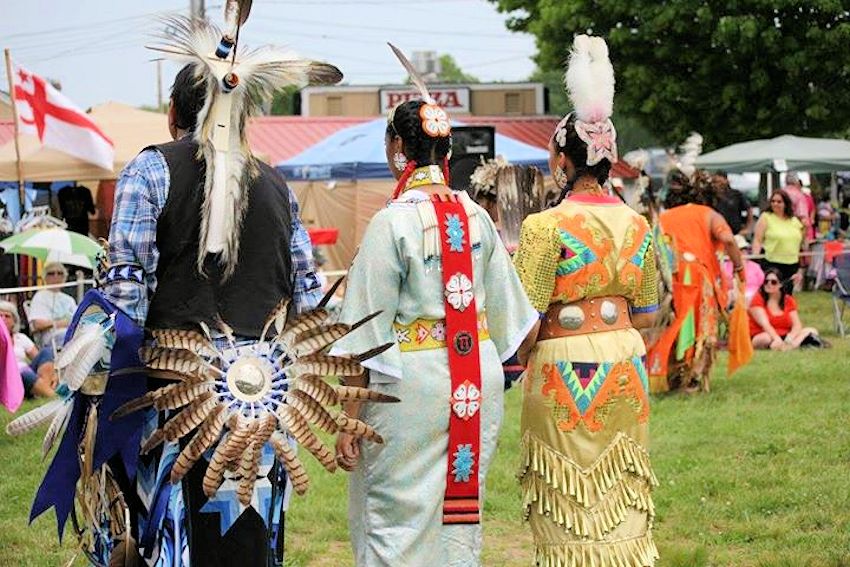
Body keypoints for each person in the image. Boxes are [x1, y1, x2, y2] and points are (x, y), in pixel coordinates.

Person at [26, 9, 344, 565]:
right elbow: (310, 300)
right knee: (249, 533)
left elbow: (125, 300)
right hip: (262, 401)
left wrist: (98, 380)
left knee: (169, 539)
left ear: (173, 113)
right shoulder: (276, 184)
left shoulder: (150, 171)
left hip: (170, 398)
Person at [330, 48, 537, 565]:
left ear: (398, 146)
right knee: (456, 511)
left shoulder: (392, 222)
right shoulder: (477, 218)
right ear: (445, 153)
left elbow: (364, 336)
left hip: (411, 385)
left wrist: (349, 417)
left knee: (396, 513)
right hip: (477, 381)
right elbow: (521, 325)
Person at [512, 36, 659, 566]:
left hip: (562, 365)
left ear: (560, 159)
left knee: (568, 492)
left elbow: (525, 319)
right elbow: (648, 311)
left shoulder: (544, 226)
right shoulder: (638, 223)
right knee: (620, 487)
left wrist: (516, 362)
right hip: (625, 363)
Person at [647, 171, 745, 393]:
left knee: (671, 325)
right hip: (698, 278)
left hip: (667, 280)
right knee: (702, 327)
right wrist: (739, 267)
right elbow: (728, 239)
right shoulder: (708, 214)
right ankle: (694, 377)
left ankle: (671, 374)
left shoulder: (665, 216)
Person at [749, 268, 826, 349]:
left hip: (786, 335)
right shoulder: (757, 299)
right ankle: (788, 345)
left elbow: (797, 325)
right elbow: (765, 325)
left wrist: (790, 338)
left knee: (812, 330)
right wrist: (776, 338)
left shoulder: (788, 300)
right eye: (766, 281)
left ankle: (790, 346)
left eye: (773, 282)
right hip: (764, 334)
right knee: (764, 338)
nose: (769, 284)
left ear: (780, 284)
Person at [751, 189, 804, 294]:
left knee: (787, 294)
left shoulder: (793, 220)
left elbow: (800, 238)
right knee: (773, 293)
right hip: (772, 262)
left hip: (791, 262)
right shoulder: (766, 217)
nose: (775, 204)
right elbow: (757, 240)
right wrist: (755, 260)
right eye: (773, 201)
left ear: (785, 203)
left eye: (779, 202)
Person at [0, 300, 57, 398]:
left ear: (14, 321)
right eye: (0, 316)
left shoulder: (20, 338)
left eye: (7, 316)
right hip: (8, 379)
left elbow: (40, 359)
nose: (3, 319)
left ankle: (42, 390)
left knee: (46, 352)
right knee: (24, 374)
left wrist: (53, 372)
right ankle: (53, 396)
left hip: (28, 375)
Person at [27, 262, 77, 348]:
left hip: (72, 334)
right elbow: (37, 324)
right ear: (45, 277)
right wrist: (61, 323)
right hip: (52, 338)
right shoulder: (40, 296)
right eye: (51, 273)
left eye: (60, 273)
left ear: (64, 277)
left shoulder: (69, 299)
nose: (56, 276)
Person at [722, 234, 765, 306]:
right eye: (739, 250)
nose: (742, 252)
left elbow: (762, 283)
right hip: (733, 296)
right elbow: (724, 285)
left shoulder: (755, 266)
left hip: (753, 296)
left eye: (744, 249)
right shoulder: (724, 266)